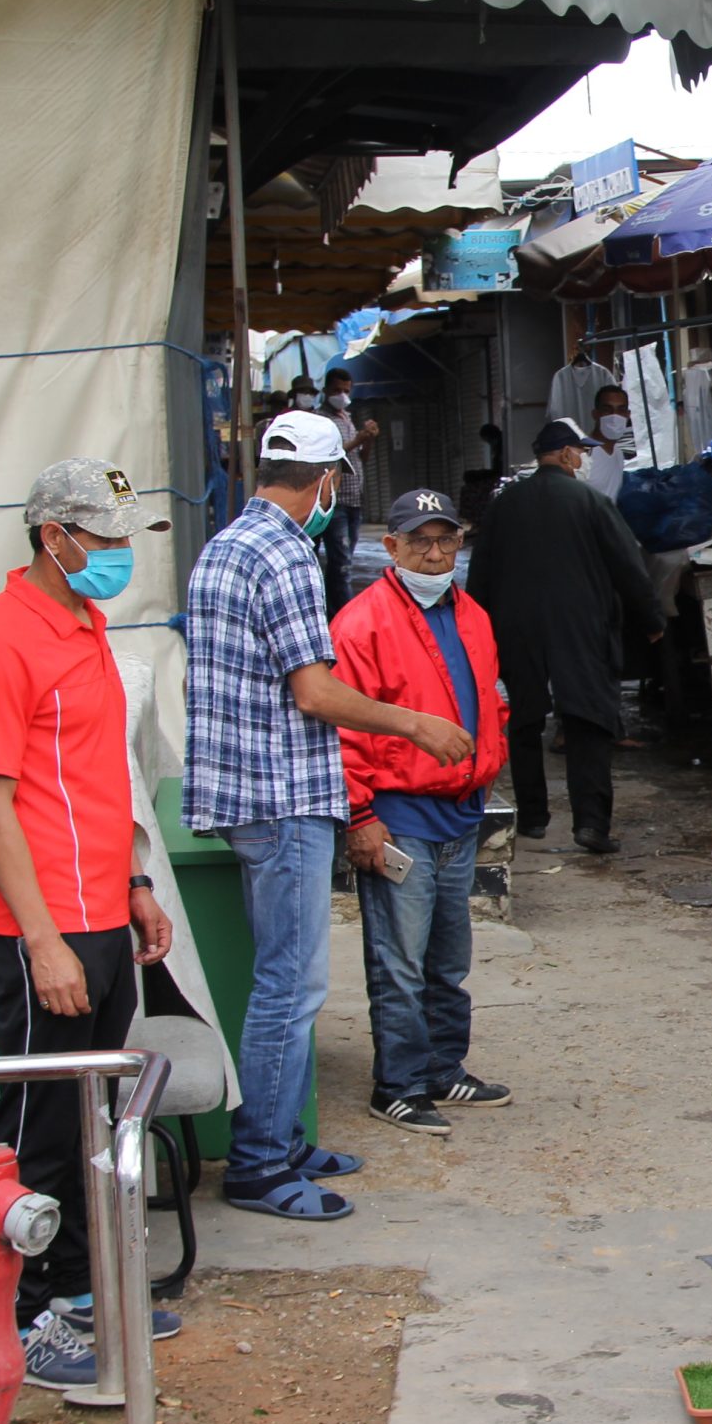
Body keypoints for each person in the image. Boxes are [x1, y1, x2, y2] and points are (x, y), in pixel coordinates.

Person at [185, 410, 475, 1221]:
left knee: (287, 981)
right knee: (291, 985)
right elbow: (314, 691)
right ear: (326, 480)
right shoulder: (281, 552)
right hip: (282, 799)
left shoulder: (229, 542)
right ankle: (259, 1162)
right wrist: (413, 721)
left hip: (254, 794)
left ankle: (278, 1139)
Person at [0, 457, 177, 1388]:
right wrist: (42, 938)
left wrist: (133, 879)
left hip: (98, 909)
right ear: (55, 538)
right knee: (43, 1121)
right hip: (42, 922)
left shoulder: (84, 625)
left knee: (92, 1110)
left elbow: (100, 774)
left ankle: (84, 1288)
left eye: (127, 539)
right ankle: (38, 1308)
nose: (121, 556)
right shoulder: (1, 641)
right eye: (107, 539)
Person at [333, 488, 512, 1137]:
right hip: (400, 815)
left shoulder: (473, 615)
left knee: (446, 955)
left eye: (446, 541)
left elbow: (492, 698)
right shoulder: (362, 624)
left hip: (459, 812)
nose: (435, 555)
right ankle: (400, 1085)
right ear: (392, 547)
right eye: (421, 542)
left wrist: (486, 762)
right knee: (400, 961)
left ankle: (442, 1067)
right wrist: (360, 817)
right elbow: (343, 729)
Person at [465, 417, 666, 855]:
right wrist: (652, 619)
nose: (586, 458)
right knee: (588, 719)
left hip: (515, 627)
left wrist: (474, 629)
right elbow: (627, 566)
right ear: (564, 454)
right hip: (581, 625)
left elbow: (480, 571)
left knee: (524, 720)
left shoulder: (505, 503)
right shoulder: (589, 501)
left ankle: (533, 817)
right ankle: (591, 824)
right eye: (582, 450)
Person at [318, 368, 378, 615]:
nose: (342, 395)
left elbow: (360, 458)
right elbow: (330, 455)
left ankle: (336, 611)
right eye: (337, 391)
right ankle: (345, 615)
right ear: (326, 391)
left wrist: (369, 439)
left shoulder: (347, 417)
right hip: (336, 500)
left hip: (355, 500)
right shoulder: (321, 421)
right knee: (341, 563)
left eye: (346, 391)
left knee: (344, 561)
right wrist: (359, 438)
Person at [580, 384, 639, 502]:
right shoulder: (582, 452)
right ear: (595, 414)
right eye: (607, 410)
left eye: (620, 410)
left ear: (627, 415)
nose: (614, 416)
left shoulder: (617, 452)